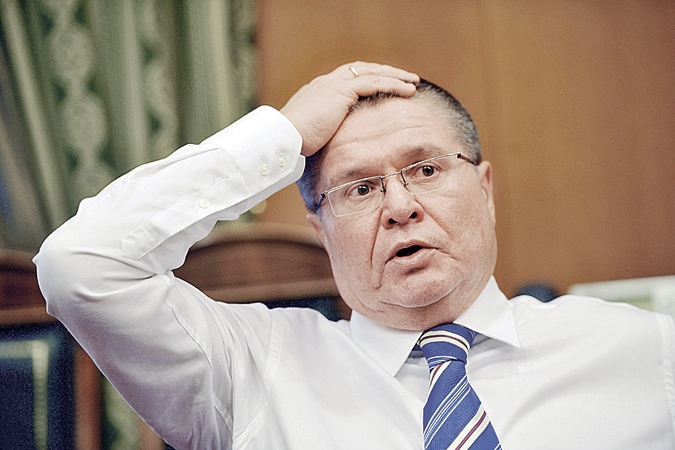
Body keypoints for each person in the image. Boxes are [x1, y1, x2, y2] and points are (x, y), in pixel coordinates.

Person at [34, 62, 675, 449]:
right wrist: (281, 135)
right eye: (360, 189)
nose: (400, 206)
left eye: (426, 169)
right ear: (321, 232)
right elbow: (79, 265)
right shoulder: (250, 374)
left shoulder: (644, 351)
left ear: (484, 190)